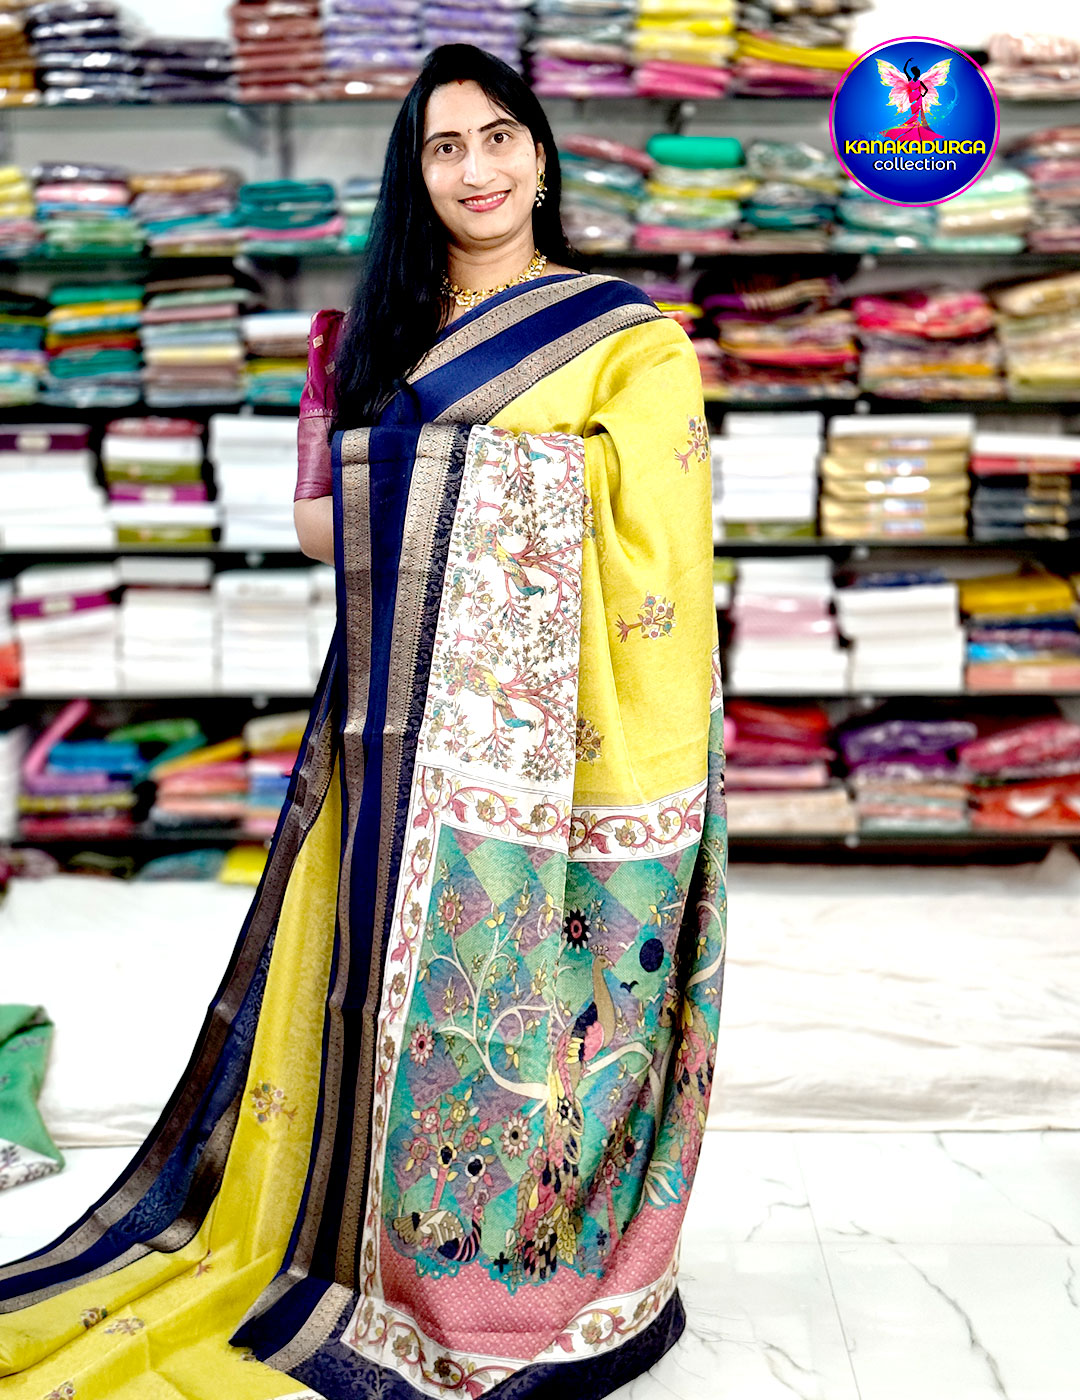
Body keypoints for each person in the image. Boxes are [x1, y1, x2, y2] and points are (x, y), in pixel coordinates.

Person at [0, 43, 727, 1400]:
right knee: (375, 995)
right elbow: (314, 522)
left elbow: (662, 535)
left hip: (573, 745)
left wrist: (426, 482)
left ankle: (515, 1267)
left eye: (498, 137)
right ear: (416, 174)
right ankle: (370, 1241)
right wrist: (463, 480)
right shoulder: (365, 336)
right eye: (445, 148)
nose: (476, 169)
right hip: (395, 728)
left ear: (541, 154)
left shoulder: (629, 341)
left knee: (544, 1013)